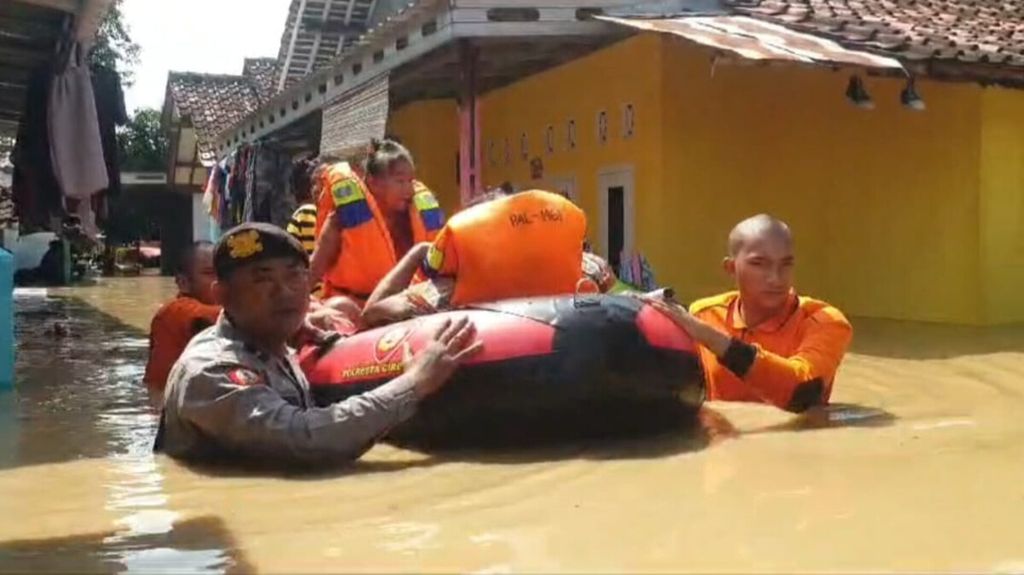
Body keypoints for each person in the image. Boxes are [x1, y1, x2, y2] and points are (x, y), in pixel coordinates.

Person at [154, 223, 482, 465]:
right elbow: (305, 440)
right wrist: (413, 384)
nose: (284, 291)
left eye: (295, 275)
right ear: (222, 295)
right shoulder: (210, 370)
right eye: (262, 278)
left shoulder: (275, 344)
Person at [639, 214, 853, 413]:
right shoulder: (705, 314)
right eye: (759, 264)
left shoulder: (826, 321)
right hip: (723, 445)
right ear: (731, 268)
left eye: (785, 265)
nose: (776, 278)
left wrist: (712, 338)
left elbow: (802, 392)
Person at [361, 188, 587, 326]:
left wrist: (416, 253)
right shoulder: (586, 268)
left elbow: (372, 314)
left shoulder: (443, 293)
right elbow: (619, 300)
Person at [310, 138, 445, 304]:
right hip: (353, 309)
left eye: (410, 181)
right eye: (400, 181)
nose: (409, 189)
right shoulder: (341, 219)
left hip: (407, 306)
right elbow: (315, 268)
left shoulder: (415, 217)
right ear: (373, 182)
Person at [143, 241, 220, 405]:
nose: (219, 281)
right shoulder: (175, 311)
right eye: (209, 273)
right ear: (183, 283)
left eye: (223, 274)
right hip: (169, 409)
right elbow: (232, 317)